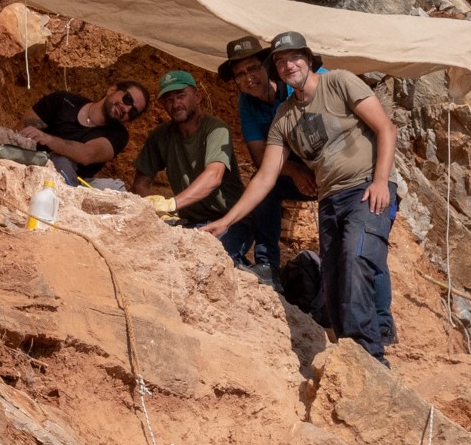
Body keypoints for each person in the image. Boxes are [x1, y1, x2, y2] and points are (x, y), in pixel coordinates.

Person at [204, 32, 399, 366]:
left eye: (293, 57)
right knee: (335, 281)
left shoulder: (338, 83)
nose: (287, 64)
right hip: (329, 199)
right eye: (280, 61)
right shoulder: (283, 118)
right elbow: (265, 175)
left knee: (357, 258)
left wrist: (381, 180)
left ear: (309, 59)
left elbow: (386, 128)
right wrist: (226, 221)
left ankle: (371, 359)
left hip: (365, 188)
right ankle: (351, 355)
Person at [220, 35, 324, 287]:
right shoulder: (247, 102)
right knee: (264, 189)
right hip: (293, 174)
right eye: (240, 74)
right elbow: (258, 157)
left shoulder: (298, 84)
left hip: (333, 172)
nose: (248, 78)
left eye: (253, 68)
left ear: (267, 66)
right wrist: (296, 172)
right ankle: (267, 265)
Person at [132, 70, 255, 264]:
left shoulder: (215, 128)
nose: (175, 104)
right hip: (189, 222)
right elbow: (141, 182)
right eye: (168, 100)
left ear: (197, 97)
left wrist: (171, 204)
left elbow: (214, 176)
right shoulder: (161, 135)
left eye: (181, 96)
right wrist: (154, 210)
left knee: (209, 261)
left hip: (229, 219)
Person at [19, 82, 149, 184]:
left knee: (62, 161)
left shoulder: (118, 135)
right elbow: (21, 131)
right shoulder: (63, 101)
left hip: (68, 185)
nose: (126, 109)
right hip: (28, 166)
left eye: (133, 112)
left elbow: (87, 154)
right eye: (128, 99)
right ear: (112, 90)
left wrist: (48, 139)